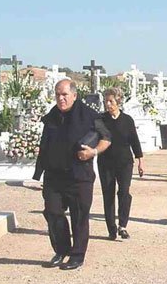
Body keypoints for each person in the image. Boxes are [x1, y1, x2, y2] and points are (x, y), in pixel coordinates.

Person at [33, 79, 111, 270]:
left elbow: (107, 137)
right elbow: (45, 145)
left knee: (79, 216)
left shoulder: (89, 115)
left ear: (74, 96)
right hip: (54, 175)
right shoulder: (51, 116)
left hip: (79, 176)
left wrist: (93, 152)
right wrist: (37, 174)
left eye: (65, 95)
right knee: (52, 212)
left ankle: (77, 256)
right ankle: (61, 250)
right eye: (58, 94)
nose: (61, 98)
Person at [98, 88, 144, 240]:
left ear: (118, 101)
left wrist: (140, 161)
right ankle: (111, 228)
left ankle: (122, 225)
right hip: (106, 163)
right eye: (106, 101)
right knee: (108, 195)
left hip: (124, 162)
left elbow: (134, 141)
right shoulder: (100, 120)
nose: (107, 104)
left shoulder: (127, 120)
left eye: (110, 101)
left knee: (124, 192)